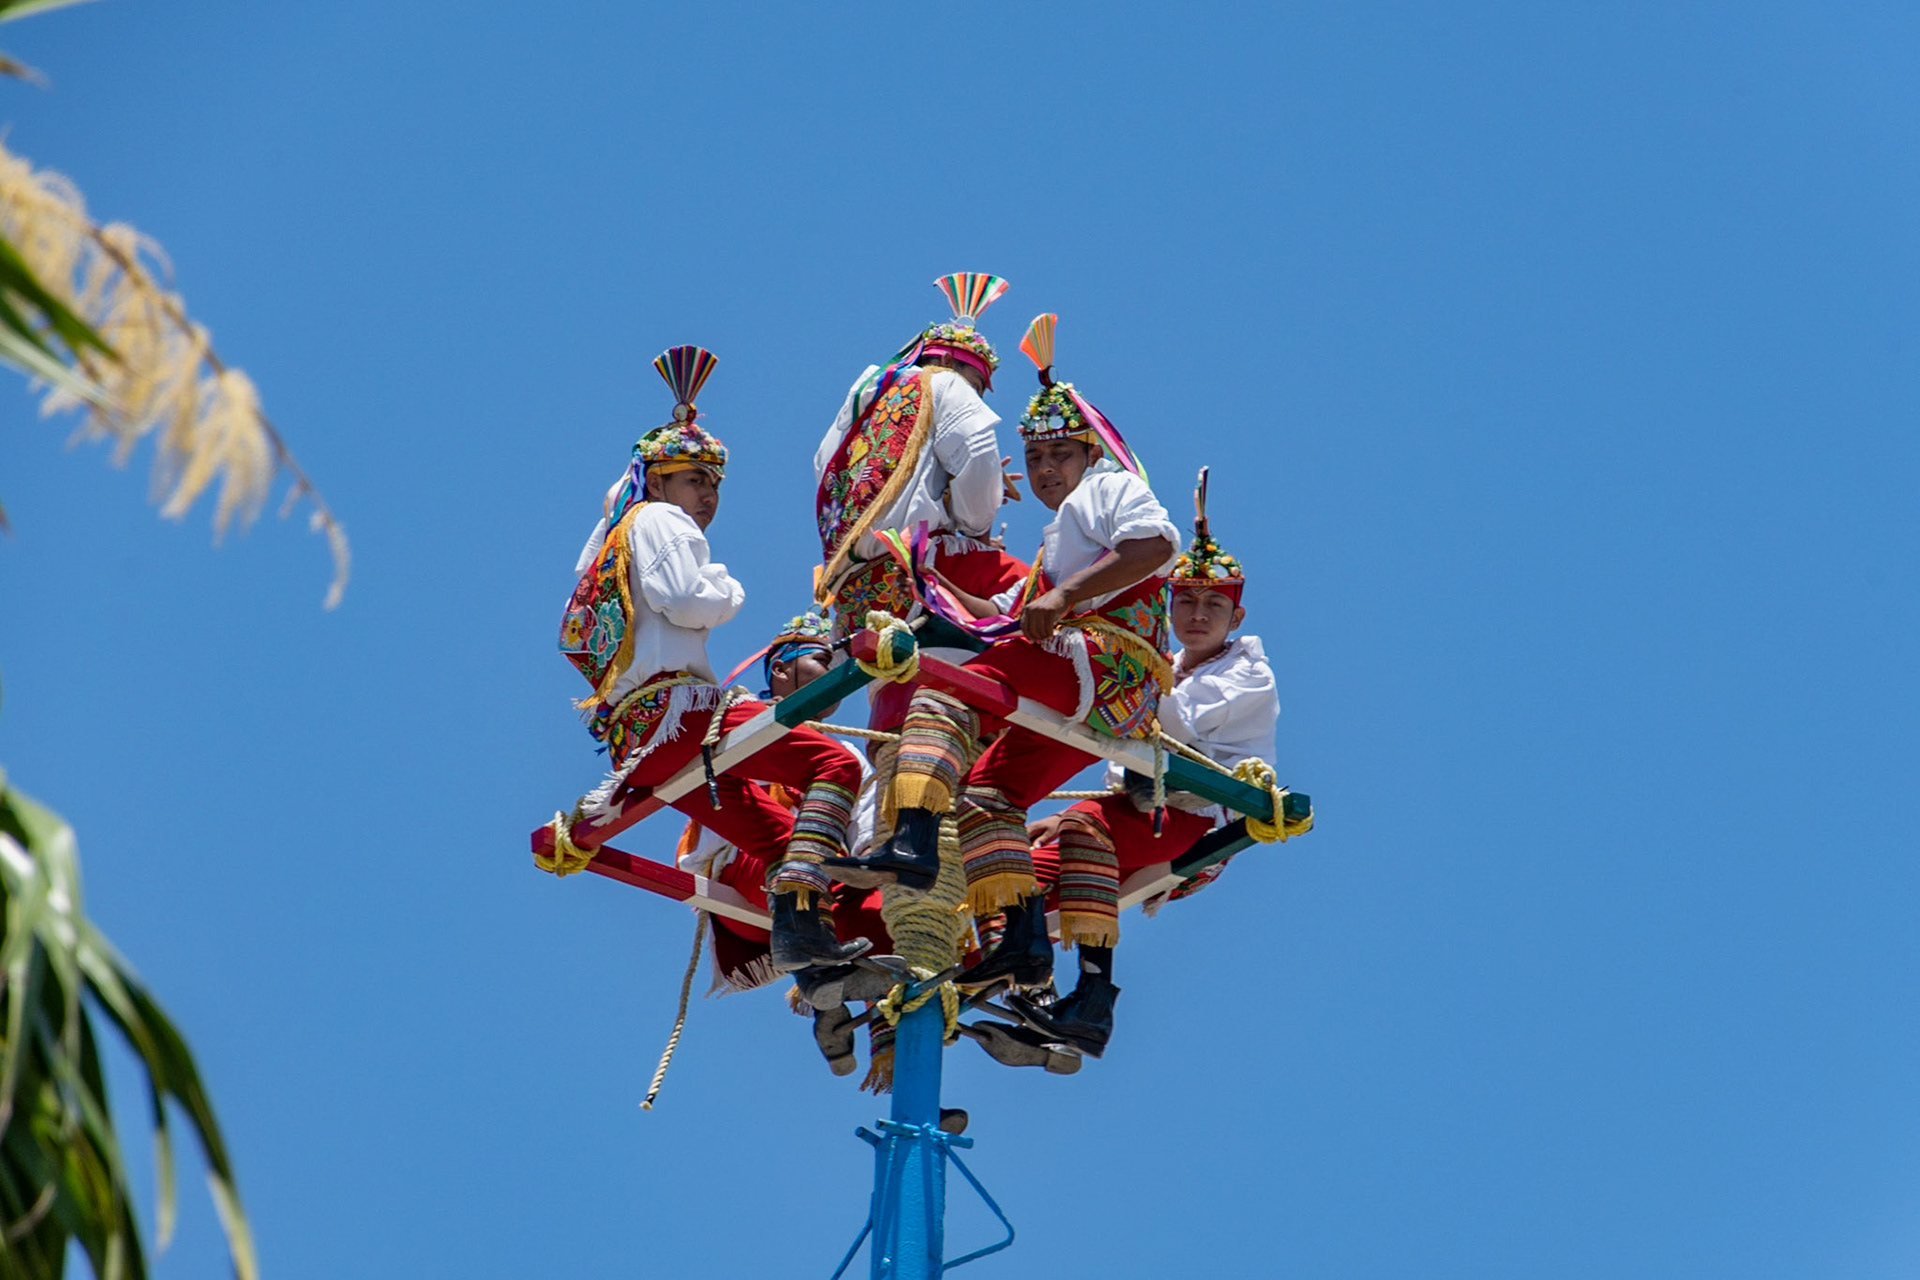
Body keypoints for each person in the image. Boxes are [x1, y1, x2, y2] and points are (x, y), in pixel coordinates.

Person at [826, 314, 1181, 993]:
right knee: (990, 792)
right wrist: (984, 600)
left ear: (1091, 456)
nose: (1047, 471)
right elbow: (1015, 617)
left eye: (1061, 456)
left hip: (1105, 667)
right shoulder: (1061, 535)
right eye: (1037, 458)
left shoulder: (1111, 488)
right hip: (1104, 706)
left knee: (945, 689)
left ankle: (914, 843)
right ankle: (1021, 943)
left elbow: (1157, 547)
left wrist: (1061, 598)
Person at [554, 346, 870, 973]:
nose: (708, 496)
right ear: (660, 479)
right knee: (836, 762)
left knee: (781, 841)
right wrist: (727, 589)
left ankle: (808, 953)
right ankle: (812, 935)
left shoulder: (615, 541)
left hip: (639, 744)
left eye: (714, 484)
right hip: (683, 715)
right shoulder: (662, 519)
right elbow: (683, 598)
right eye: (696, 479)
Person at [1007, 468, 1279, 1055]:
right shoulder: (1165, 664)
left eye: (1213, 603)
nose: (1197, 614)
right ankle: (1027, 990)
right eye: (1184, 600)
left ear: (1238, 617)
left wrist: (1123, 670)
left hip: (1196, 816)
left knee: (1082, 824)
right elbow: (1131, 745)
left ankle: (1094, 1001)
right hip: (1135, 809)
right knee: (1017, 865)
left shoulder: (1246, 672)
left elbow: (1171, 731)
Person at [813, 272, 1030, 731]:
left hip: (854, 593)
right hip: (921, 572)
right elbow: (976, 456)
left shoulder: (868, 396)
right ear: (972, 373)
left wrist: (941, 492)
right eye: (981, 387)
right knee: (1045, 592)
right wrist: (973, 517)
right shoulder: (949, 386)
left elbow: (827, 469)